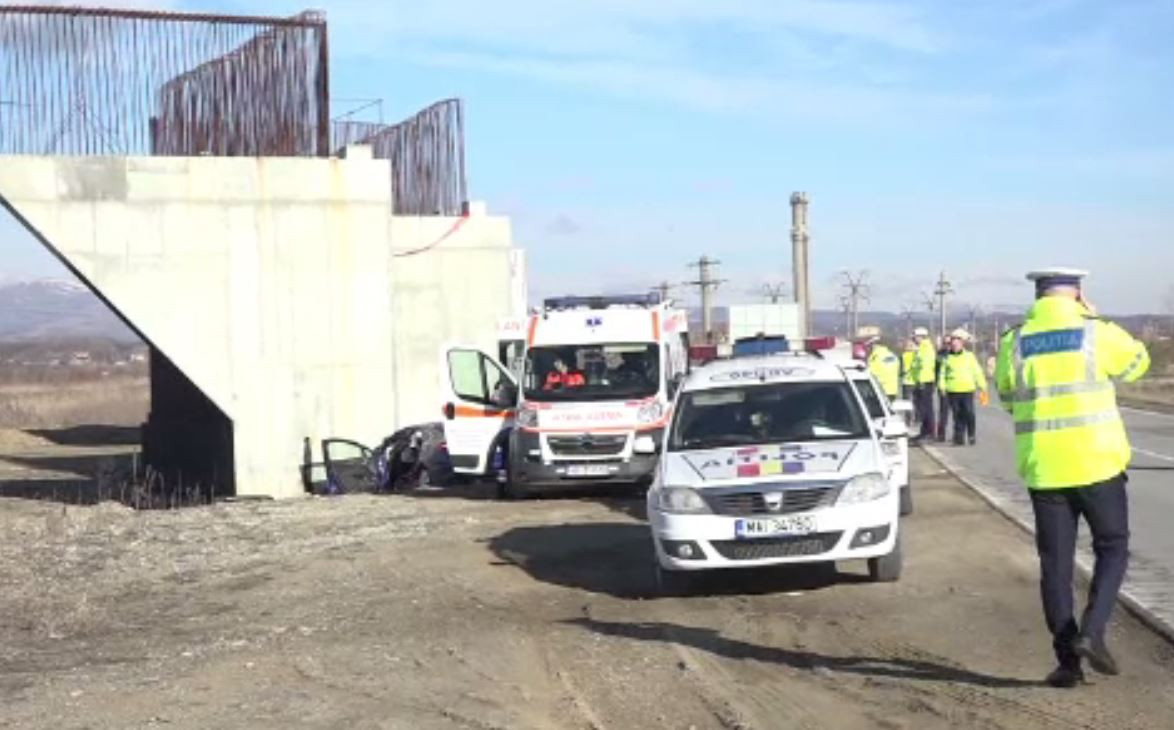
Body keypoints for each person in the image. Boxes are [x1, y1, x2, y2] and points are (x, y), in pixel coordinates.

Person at [995, 268, 1149, 689]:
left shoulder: (1014, 340)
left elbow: (1008, 397)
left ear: (1038, 296)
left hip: (1045, 469)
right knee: (1113, 548)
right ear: (1078, 294)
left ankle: (1067, 664)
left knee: (1056, 566)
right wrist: (1095, 319)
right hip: (1098, 464)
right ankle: (1092, 632)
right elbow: (1139, 363)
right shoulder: (1095, 331)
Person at [937, 328, 987, 445]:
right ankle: (959, 438)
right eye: (952, 342)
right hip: (952, 390)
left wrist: (982, 386)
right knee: (957, 414)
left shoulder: (969, 356)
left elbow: (977, 371)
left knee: (969, 413)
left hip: (967, 390)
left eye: (957, 341)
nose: (954, 344)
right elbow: (942, 374)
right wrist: (942, 386)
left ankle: (971, 434)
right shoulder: (946, 358)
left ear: (962, 343)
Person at [910, 326, 937, 441]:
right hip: (921, 381)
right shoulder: (922, 348)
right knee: (923, 408)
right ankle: (924, 431)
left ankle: (929, 432)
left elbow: (925, 366)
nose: (914, 339)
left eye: (915, 337)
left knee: (926, 409)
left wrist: (920, 381)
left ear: (921, 336)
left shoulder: (926, 348)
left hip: (925, 381)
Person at [859, 326, 900, 399]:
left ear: (873, 345)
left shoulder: (877, 357)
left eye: (868, 346)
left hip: (880, 391)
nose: (867, 349)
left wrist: (863, 370)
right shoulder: (891, 355)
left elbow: (873, 373)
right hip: (891, 391)